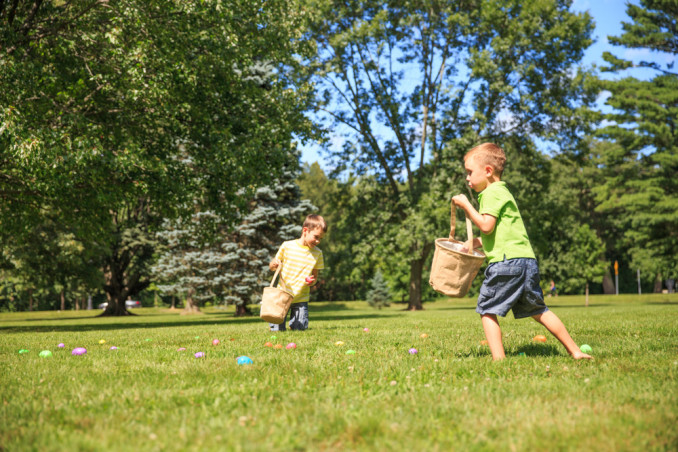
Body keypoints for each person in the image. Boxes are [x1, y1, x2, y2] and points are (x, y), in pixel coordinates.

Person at [452, 143, 591, 361]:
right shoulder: (503, 192)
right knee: (540, 310)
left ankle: (499, 360)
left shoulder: (490, 193)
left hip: (506, 264)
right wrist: (473, 244)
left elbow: (486, 226)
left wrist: (466, 206)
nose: (467, 178)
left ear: (488, 171)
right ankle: (576, 351)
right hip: (526, 262)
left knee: (487, 310)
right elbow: (496, 233)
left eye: (470, 172)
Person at [268, 214, 326, 332]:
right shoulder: (287, 246)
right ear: (305, 230)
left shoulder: (318, 254)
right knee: (277, 330)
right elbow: (273, 266)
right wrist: (273, 264)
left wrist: (312, 281)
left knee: (299, 330)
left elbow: (315, 277)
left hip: (301, 298)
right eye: (316, 237)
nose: (318, 241)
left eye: (321, 238)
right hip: (283, 295)